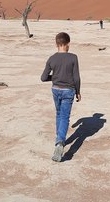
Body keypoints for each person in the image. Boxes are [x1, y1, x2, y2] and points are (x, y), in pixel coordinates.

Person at [41, 32, 81, 162]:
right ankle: (60, 143)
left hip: (56, 89)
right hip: (68, 90)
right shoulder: (73, 57)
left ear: (56, 44)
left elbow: (43, 78)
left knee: (58, 114)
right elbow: (76, 77)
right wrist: (78, 92)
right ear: (68, 44)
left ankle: (58, 137)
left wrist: (56, 76)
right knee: (64, 116)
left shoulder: (51, 58)